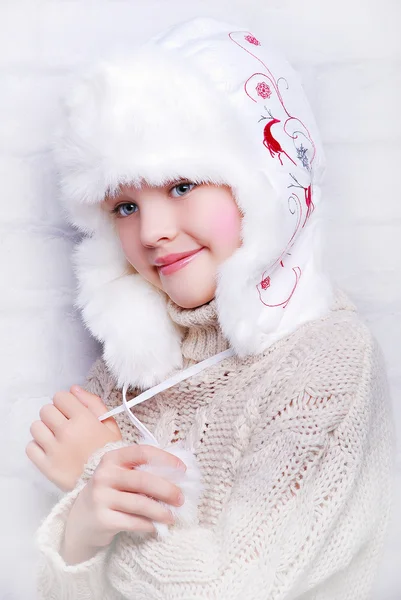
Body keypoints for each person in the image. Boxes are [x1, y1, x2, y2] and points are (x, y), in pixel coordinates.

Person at [27, 16, 395, 599]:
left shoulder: (327, 360)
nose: (151, 231)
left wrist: (97, 476)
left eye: (181, 186)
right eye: (124, 206)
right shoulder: (129, 372)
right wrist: (81, 526)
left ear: (262, 183)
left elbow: (230, 587)